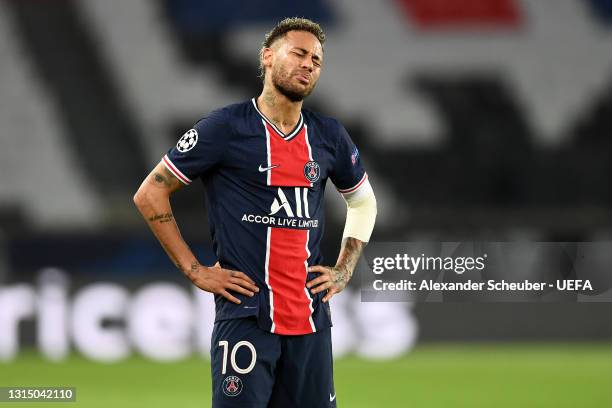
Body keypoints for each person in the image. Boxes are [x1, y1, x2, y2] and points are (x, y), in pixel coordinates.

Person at [133, 17, 377, 408]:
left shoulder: (329, 136)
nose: (308, 64)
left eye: (316, 59)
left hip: (310, 321)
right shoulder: (224, 128)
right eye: (299, 52)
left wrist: (344, 267)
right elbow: (150, 194)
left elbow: (363, 201)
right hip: (247, 317)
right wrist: (195, 270)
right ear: (267, 56)